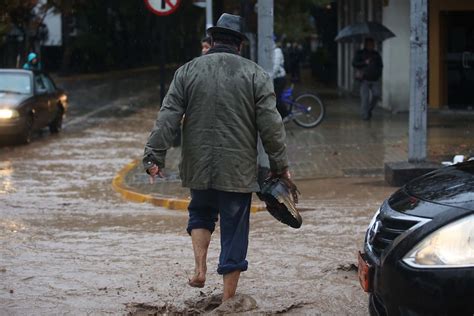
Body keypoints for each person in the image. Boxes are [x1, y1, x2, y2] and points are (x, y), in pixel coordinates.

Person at [143, 13, 290, 302]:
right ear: (240, 45)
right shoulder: (255, 74)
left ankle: (199, 269)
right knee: (234, 229)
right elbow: (272, 126)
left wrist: (153, 157)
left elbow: (168, 116)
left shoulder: (187, 71)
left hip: (197, 164)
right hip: (237, 169)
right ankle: (227, 300)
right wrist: (280, 166)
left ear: (211, 42)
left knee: (200, 212)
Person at [352, 38, 383, 120]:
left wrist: (378, 74)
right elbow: (354, 63)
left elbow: (380, 65)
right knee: (365, 98)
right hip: (364, 79)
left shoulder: (376, 54)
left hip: (375, 79)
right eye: (369, 44)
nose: (371, 46)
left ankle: (369, 109)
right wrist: (364, 62)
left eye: (372, 44)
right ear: (366, 45)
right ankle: (365, 116)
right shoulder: (360, 53)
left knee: (377, 94)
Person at [272, 36, 288, 118]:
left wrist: (270, 77)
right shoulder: (271, 51)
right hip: (276, 78)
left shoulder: (277, 51)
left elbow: (276, 66)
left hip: (280, 78)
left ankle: (285, 115)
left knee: (276, 99)